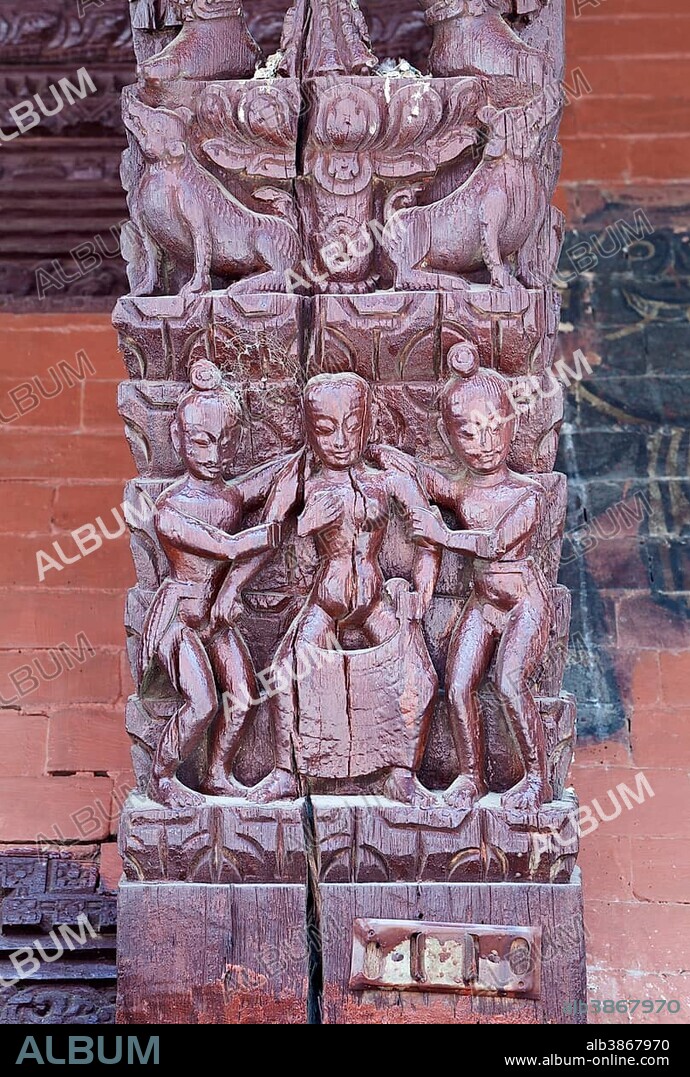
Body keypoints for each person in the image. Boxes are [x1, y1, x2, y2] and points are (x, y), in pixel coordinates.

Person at [216, 371, 442, 807]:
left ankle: (402, 772)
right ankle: (286, 770)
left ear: (367, 423)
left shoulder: (387, 479)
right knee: (285, 677)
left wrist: (421, 592)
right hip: (327, 599)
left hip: (374, 600)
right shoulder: (303, 482)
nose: (340, 440)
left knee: (419, 679)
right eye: (325, 429)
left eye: (351, 426)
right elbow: (267, 537)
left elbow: (427, 535)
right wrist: (232, 587)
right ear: (308, 430)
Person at [379, 342, 553, 812]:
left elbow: (495, 544)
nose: (486, 442)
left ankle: (538, 778)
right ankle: (470, 777)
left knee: (509, 682)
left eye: (493, 427)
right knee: (456, 686)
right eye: (469, 434)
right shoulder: (465, 488)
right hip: (482, 604)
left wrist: (441, 532)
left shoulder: (526, 494)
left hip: (522, 605)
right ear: (452, 438)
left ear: (512, 423)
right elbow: (433, 482)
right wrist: (393, 459)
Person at [140, 360, 284, 808]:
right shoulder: (170, 509)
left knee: (244, 694)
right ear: (179, 439)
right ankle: (162, 776)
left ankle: (216, 772)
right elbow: (225, 546)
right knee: (202, 702)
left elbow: (264, 480)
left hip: (216, 622)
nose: (213, 453)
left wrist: (303, 460)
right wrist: (276, 530)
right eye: (201, 441)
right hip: (179, 620)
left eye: (224, 442)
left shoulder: (229, 496)